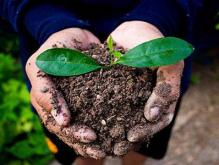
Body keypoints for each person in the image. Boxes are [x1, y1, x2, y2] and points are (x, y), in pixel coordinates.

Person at [0, 0, 209, 164]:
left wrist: (158, 16)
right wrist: (49, 23)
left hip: (155, 61)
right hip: (54, 51)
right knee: (80, 147)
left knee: (146, 135)